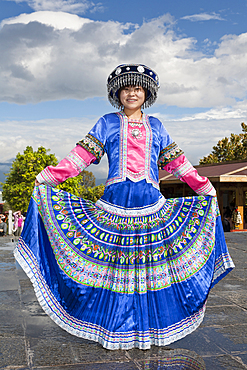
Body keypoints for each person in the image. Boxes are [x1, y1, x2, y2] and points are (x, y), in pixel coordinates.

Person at [14, 64, 234, 350]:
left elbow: (179, 165)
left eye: (138, 88)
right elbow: (79, 158)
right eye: (127, 88)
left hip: (151, 210)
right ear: (117, 93)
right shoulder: (107, 122)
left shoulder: (156, 126)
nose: (132, 93)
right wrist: (49, 177)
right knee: (116, 270)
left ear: (147, 93)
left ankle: (150, 329)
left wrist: (204, 187)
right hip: (114, 209)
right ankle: (115, 328)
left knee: (147, 270)